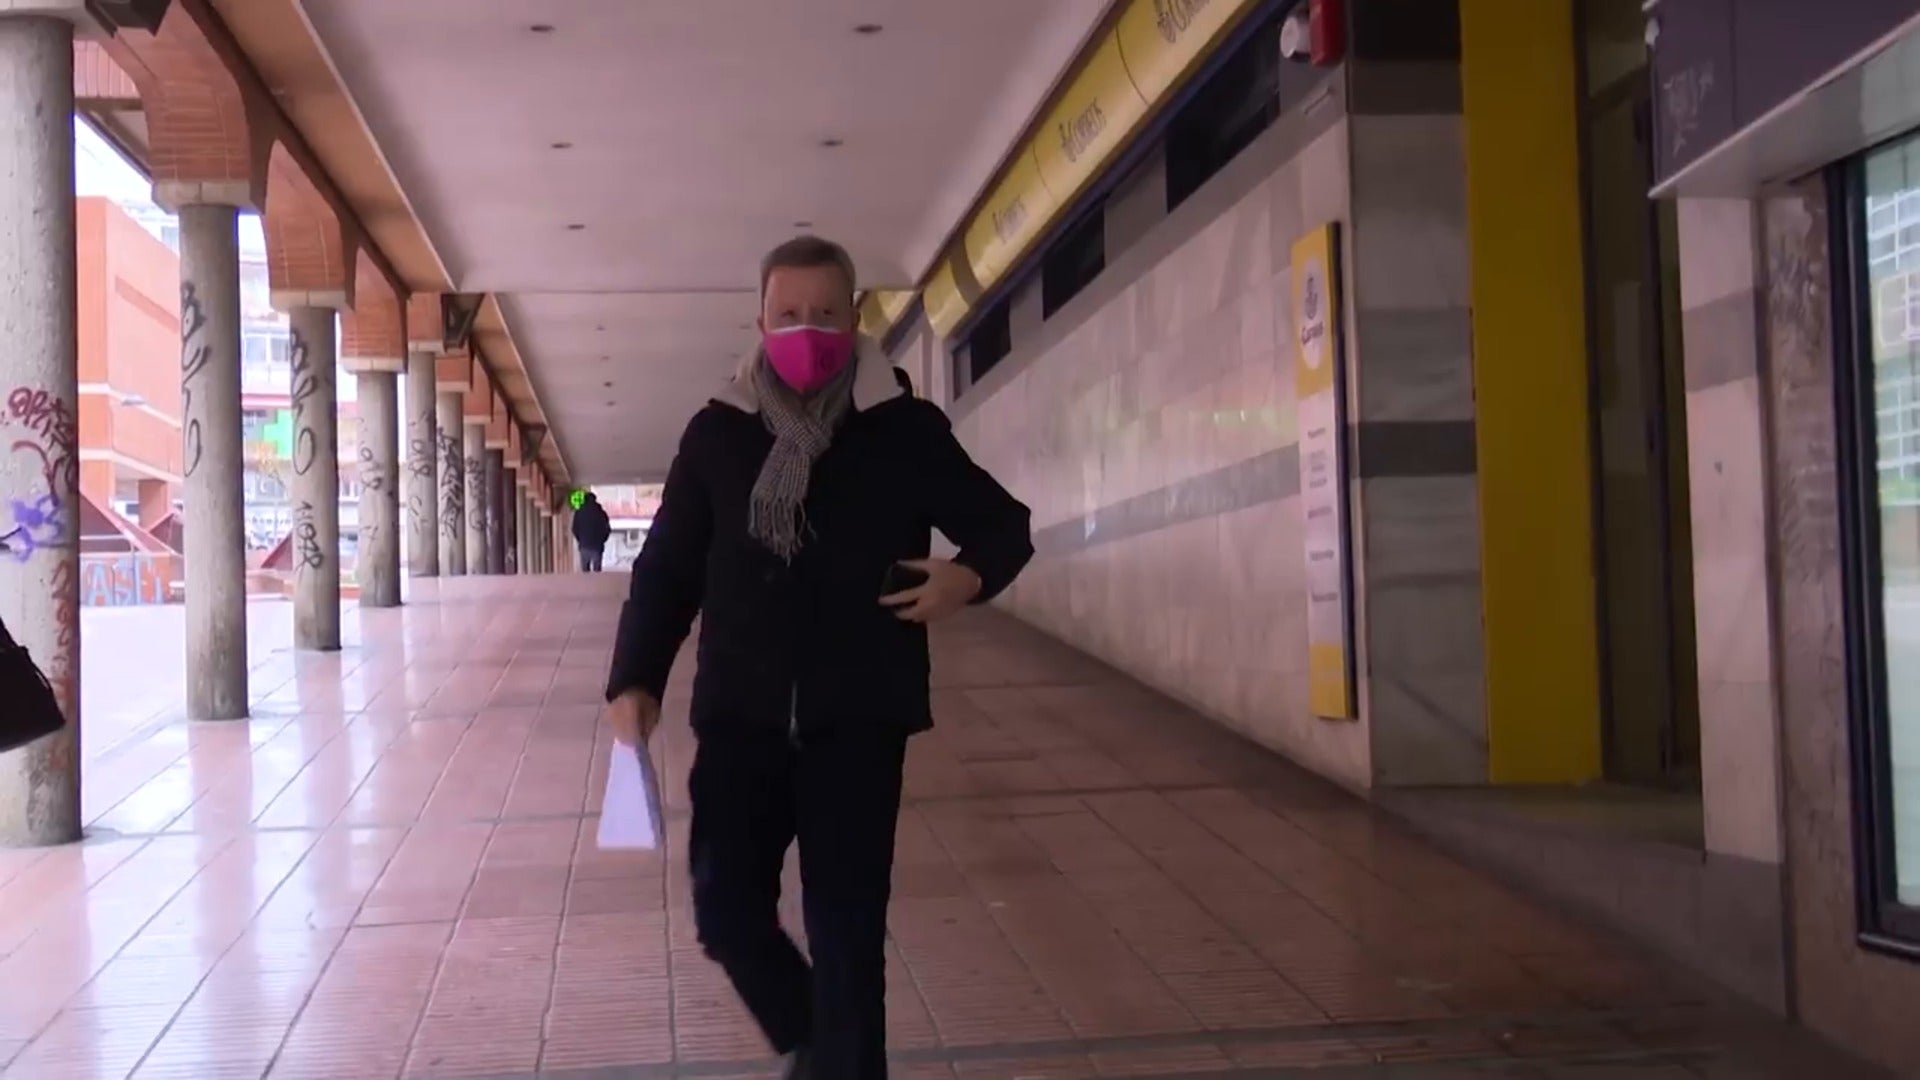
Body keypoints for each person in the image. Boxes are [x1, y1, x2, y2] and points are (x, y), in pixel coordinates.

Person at [603, 236, 1033, 1078]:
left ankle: (839, 1058)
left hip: (860, 721)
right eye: (790, 314)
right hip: (740, 719)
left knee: (848, 936)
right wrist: (635, 679)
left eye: (826, 314)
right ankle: (822, 1043)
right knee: (726, 915)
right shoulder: (718, 435)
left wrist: (968, 578)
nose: (808, 330)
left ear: (855, 317)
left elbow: (1003, 526)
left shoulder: (903, 430)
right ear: (761, 321)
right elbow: (668, 570)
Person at [572, 492, 612, 572]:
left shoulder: (579, 512)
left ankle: (586, 580)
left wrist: (580, 540)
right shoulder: (601, 513)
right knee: (597, 571)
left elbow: (574, 528)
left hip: (584, 545)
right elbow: (607, 529)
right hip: (597, 546)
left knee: (585, 571)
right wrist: (602, 540)